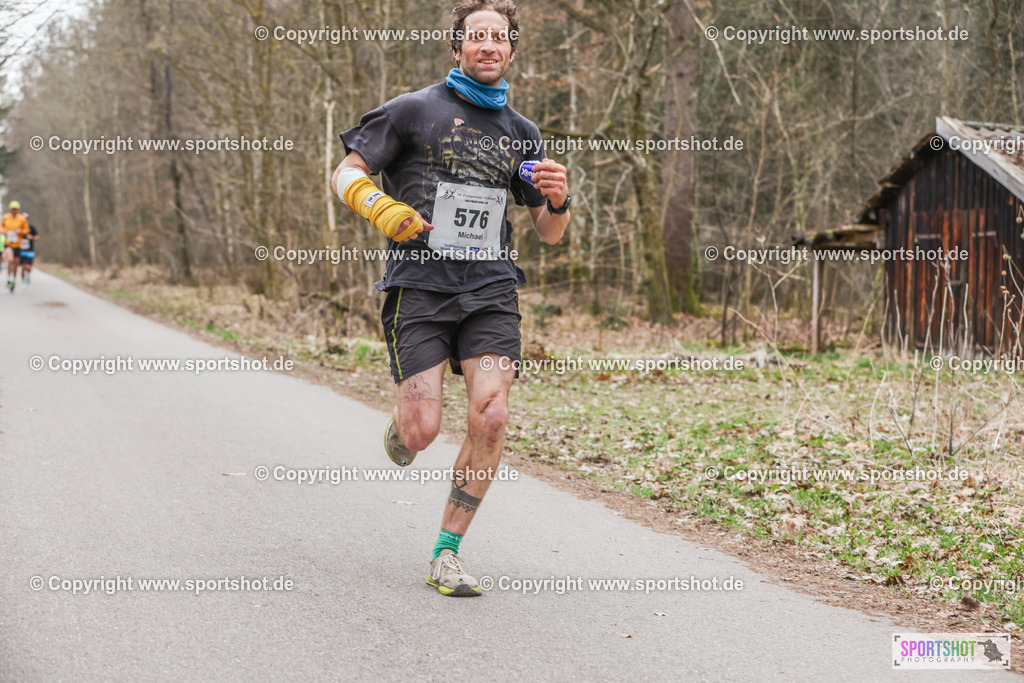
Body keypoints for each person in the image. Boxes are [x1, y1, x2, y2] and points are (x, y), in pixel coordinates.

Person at [331, 0, 571, 597]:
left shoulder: (523, 133)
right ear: (457, 46)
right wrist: (382, 208)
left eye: (500, 37)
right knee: (422, 431)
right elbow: (346, 173)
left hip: (490, 289)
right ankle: (401, 427)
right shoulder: (413, 110)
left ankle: (447, 551)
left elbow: (549, 232)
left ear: (511, 48)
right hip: (421, 286)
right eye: (477, 36)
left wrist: (559, 201)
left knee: (492, 412)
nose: (488, 46)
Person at [2, 201, 29, 293]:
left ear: (18, 209)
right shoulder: (5, 217)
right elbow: (1, 226)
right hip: (8, 243)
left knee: (16, 265)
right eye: (13, 209)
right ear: (10, 209)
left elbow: (26, 230)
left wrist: (20, 231)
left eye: (16, 209)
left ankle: (13, 280)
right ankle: (9, 278)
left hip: (17, 244)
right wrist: (2, 231)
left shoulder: (22, 219)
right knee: (10, 260)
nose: (14, 210)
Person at [18, 214, 38, 290]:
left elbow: (37, 237)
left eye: (26, 218)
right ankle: (23, 282)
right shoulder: (19, 228)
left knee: (29, 268)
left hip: (30, 250)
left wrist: (32, 237)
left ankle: (28, 275)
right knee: (23, 268)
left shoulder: (31, 227)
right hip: (21, 250)